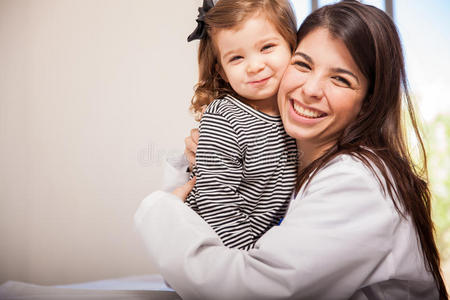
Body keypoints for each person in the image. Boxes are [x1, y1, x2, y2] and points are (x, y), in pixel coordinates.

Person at [135, 1, 448, 299]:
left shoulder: (356, 182)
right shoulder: (290, 161)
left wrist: (160, 209)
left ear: (369, 101)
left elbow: (245, 289)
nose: (310, 90)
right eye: (303, 64)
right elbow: (190, 268)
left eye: (340, 79)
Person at [183, 0, 298, 250]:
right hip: (211, 248)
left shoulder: (298, 115)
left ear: (292, 47)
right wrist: (244, 260)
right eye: (236, 58)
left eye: (267, 47)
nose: (255, 66)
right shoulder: (224, 117)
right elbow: (216, 199)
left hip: (255, 248)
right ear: (222, 72)